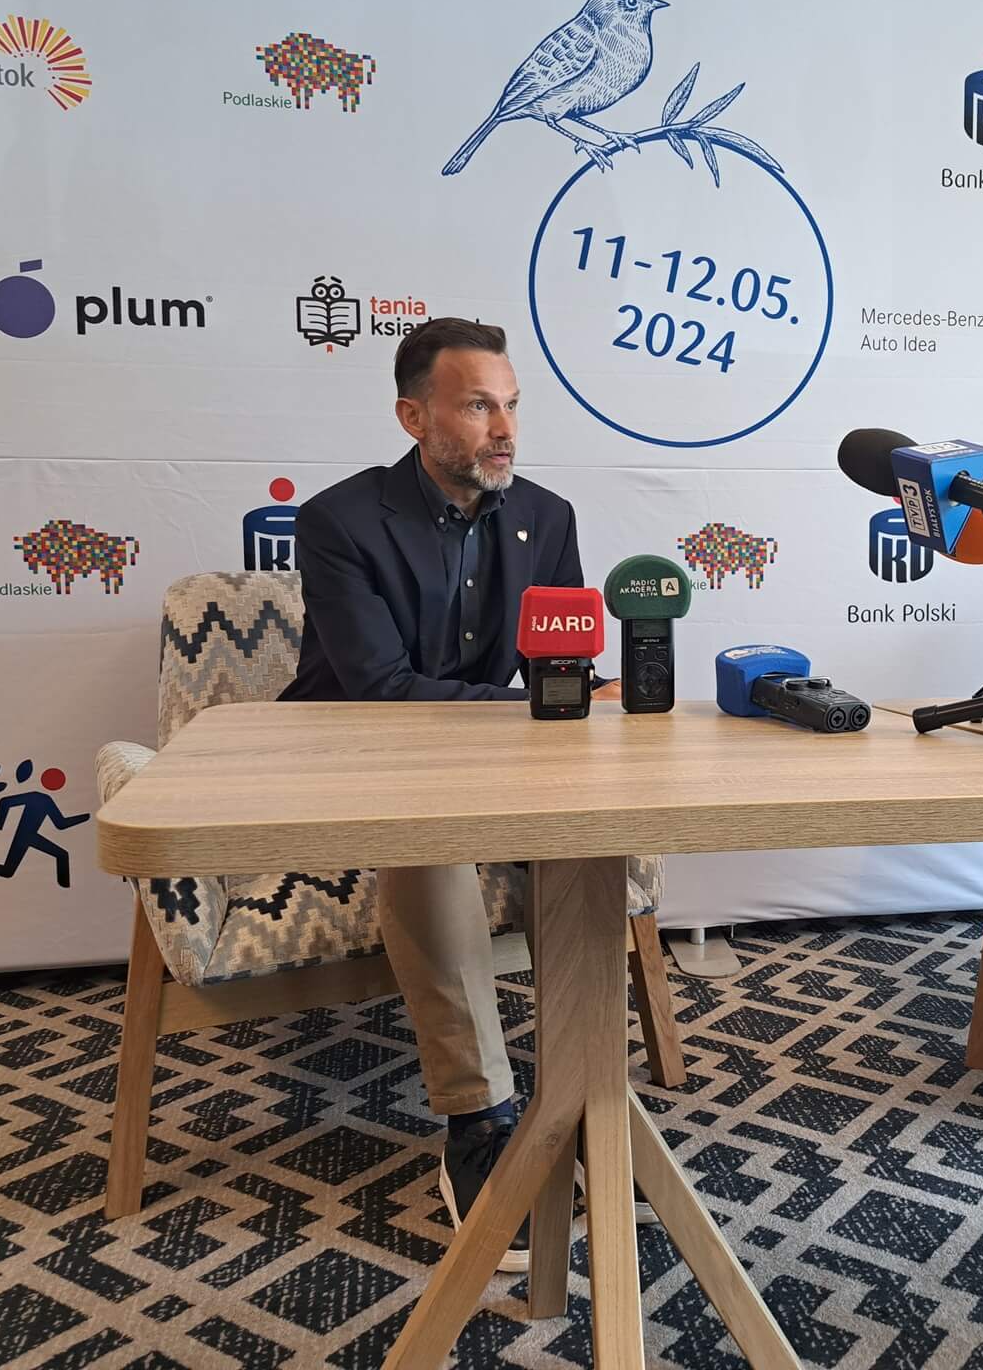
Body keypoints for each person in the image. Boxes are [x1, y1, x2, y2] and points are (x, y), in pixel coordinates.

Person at [279, 317, 628, 1272]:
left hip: (492, 752)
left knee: (594, 835)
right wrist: (539, 707)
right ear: (414, 417)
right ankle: (482, 1120)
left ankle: (590, 1099)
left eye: (511, 405)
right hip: (358, 753)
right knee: (431, 843)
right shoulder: (341, 520)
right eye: (478, 406)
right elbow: (381, 691)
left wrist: (593, 697)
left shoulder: (546, 517)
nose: (504, 429)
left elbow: (559, 672)